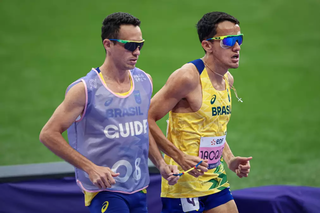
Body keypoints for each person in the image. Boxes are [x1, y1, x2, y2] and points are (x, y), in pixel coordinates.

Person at [39, 12, 179, 213]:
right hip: (105, 189)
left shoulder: (144, 81)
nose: (137, 51)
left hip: (138, 187)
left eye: (140, 45)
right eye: (130, 46)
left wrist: (161, 164)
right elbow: (48, 134)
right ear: (108, 44)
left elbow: (140, 128)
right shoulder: (85, 89)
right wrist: (90, 167)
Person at [148, 11, 252, 213]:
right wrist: (178, 157)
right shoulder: (188, 77)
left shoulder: (227, 79)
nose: (237, 47)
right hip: (183, 183)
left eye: (238, 39)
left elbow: (213, 127)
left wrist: (230, 159)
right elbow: (147, 117)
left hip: (214, 179)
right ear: (207, 45)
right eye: (228, 41)